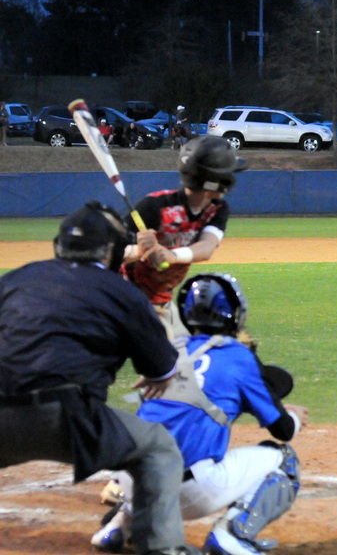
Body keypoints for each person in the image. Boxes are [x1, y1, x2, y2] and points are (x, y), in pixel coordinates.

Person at [0, 202, 197, 555]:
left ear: (58, 245)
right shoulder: (120, 292)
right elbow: (162, 370)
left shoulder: (15, 279)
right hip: (67, 417)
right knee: (158, 448)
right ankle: (163, 548)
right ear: (112, 250)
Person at [91, 273, 308, 555]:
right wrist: (295, 417)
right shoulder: (238, 356)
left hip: (128, 483)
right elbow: (284, 430)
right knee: (283, 461)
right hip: (188, 493)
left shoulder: (170, 350)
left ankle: (118, 527)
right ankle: (232, 537)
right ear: (234, 314)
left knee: (155, 444)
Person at [122, 135, 247, 338]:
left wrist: (171, 255)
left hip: (160, 300)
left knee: (184, 355)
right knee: (169, 361)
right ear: (215, 180)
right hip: (124, 298)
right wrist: (139, 251)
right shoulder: (155, 206)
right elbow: (109, 252)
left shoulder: (217, 209)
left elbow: (206, 248)